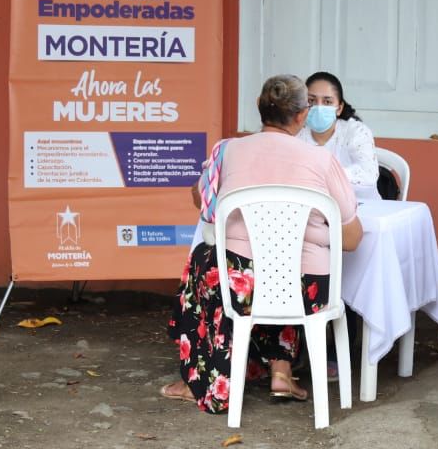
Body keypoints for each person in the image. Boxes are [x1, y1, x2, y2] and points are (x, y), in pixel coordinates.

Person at [162, 75, 363, 411]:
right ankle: (281, 373)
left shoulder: (229, 151)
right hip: (304, 289)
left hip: (240, 284)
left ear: (260, 109)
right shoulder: (322, 161)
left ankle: (201, 379)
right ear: (302, 116)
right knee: (286, 264)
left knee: (206, 259)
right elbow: (353, 238)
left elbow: (201, 198)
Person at [297, 71, 381, 201]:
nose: (319, 107)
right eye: (311, 100)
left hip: (362, 208)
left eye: (327, 102)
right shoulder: (297, 133)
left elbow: (368, 175)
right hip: (312, 209)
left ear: (339, 108)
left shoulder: (356, 132)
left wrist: (322, 176)